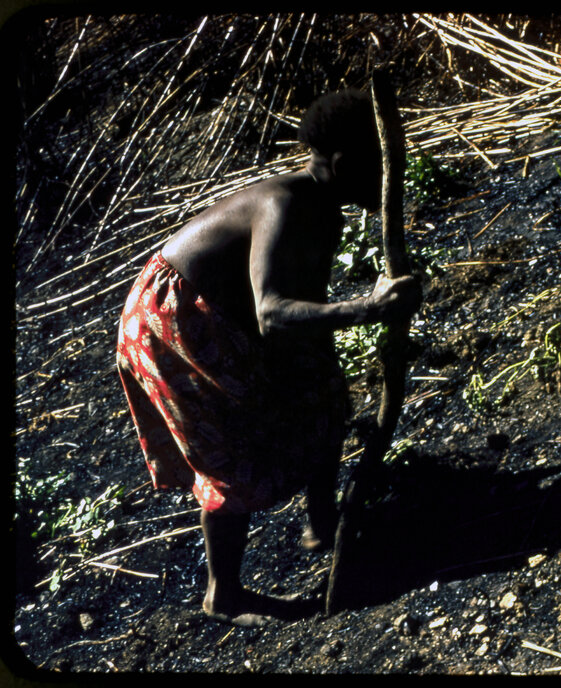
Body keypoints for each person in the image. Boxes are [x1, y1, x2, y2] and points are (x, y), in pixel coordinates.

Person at [116, 89, 421, 626]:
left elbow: (304, 321)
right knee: (227, 449)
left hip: (219, 316)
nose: (389, 182)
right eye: (381, 168)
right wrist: (368, 309)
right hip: (172, 321)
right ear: (346, 164)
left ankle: (323, 526)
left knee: (322, 390)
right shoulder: (285, 205)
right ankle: (224, 595)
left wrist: (330, 362)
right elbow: (274, 314)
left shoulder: (326, 212)